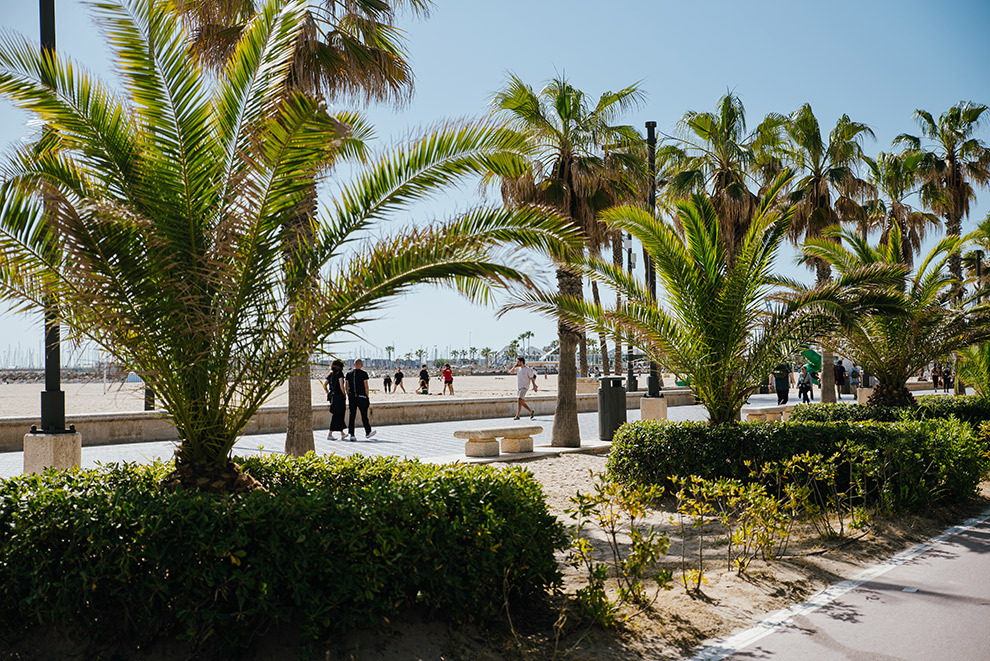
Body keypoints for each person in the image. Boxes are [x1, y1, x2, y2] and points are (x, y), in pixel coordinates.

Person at [345, 359, 375, 441]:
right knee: (364, 416)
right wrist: (367, 396)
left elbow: (346, 387)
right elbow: (366, 386)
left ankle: (352, 434)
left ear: (354, 365)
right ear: (361, 365)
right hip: (361, 397)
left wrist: (349, 395)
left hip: (352, 397)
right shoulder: (364, 374)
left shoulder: (349, 374)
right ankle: (368, 432)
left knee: (352, 416)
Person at [321, 359, 347, 440]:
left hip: (333, 396)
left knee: (337, 414)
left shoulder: (330, 374)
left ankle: (342, 433)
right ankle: (330, 433)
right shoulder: (340, 374)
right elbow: (341, 385)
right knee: (338, 415)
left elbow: (324, 385)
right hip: (339, 396)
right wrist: (344, 394)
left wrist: (328, 393)